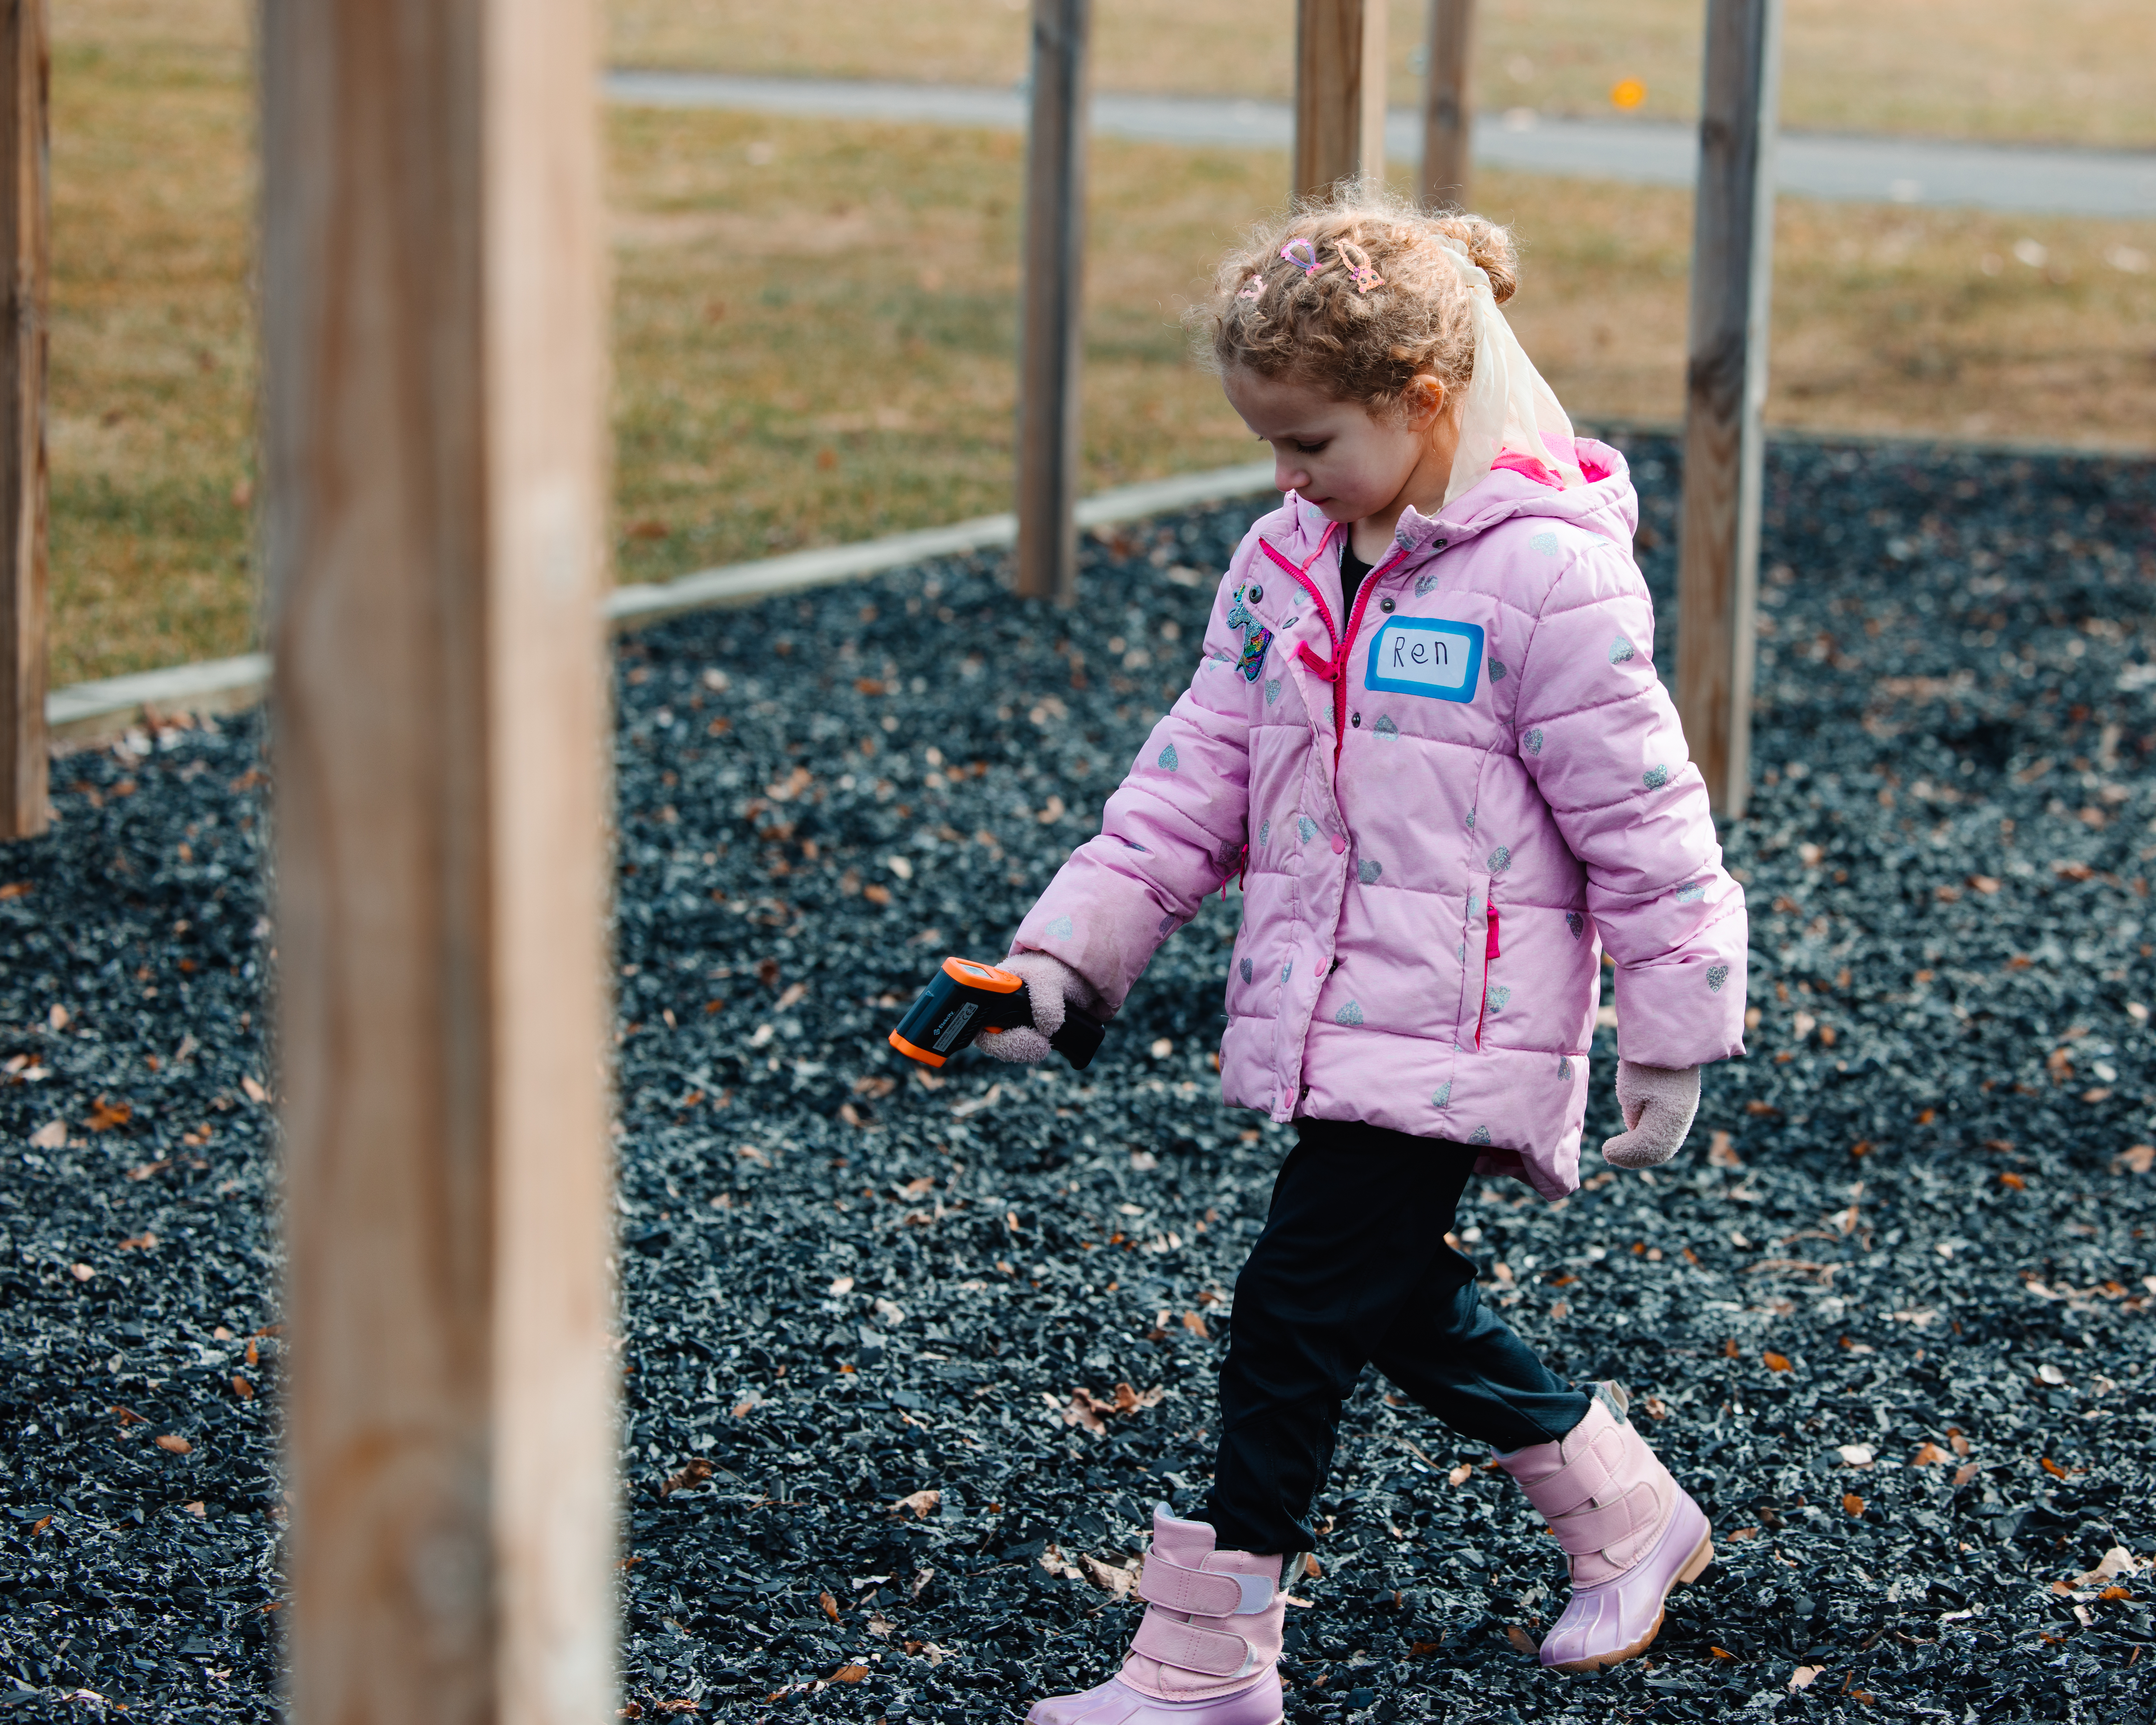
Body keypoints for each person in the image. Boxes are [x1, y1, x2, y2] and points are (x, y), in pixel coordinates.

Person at [965, 190, 1748, 1720]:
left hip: (1459, 1026)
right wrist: (1061, 965)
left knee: (1288, 1315)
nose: (1284, 475)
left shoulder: (1549, 580)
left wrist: (1672, 1024)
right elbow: (1188, 781)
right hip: (1331, 1010)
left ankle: (1204, 1661)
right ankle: (1630, 1512)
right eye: (1268, 442)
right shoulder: (1282, 561)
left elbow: (1647, 822)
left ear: (1424, 400)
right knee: (1383, 1298)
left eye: (1311, 441)